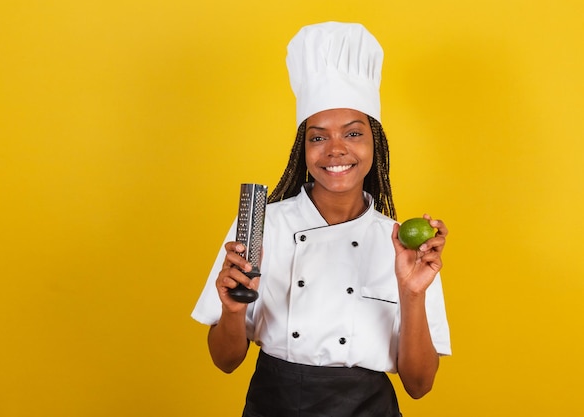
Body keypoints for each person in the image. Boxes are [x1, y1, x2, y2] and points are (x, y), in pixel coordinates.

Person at [192, 21, 451, 417]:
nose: (335, 150)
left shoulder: (402, 244)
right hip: (273, 406)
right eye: (318, 136)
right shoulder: (263, 226)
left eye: (352, 134)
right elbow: (225, 361)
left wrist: (412, 292)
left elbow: (419, 386)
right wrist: (231, 310)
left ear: (374, 145)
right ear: (303, 149)